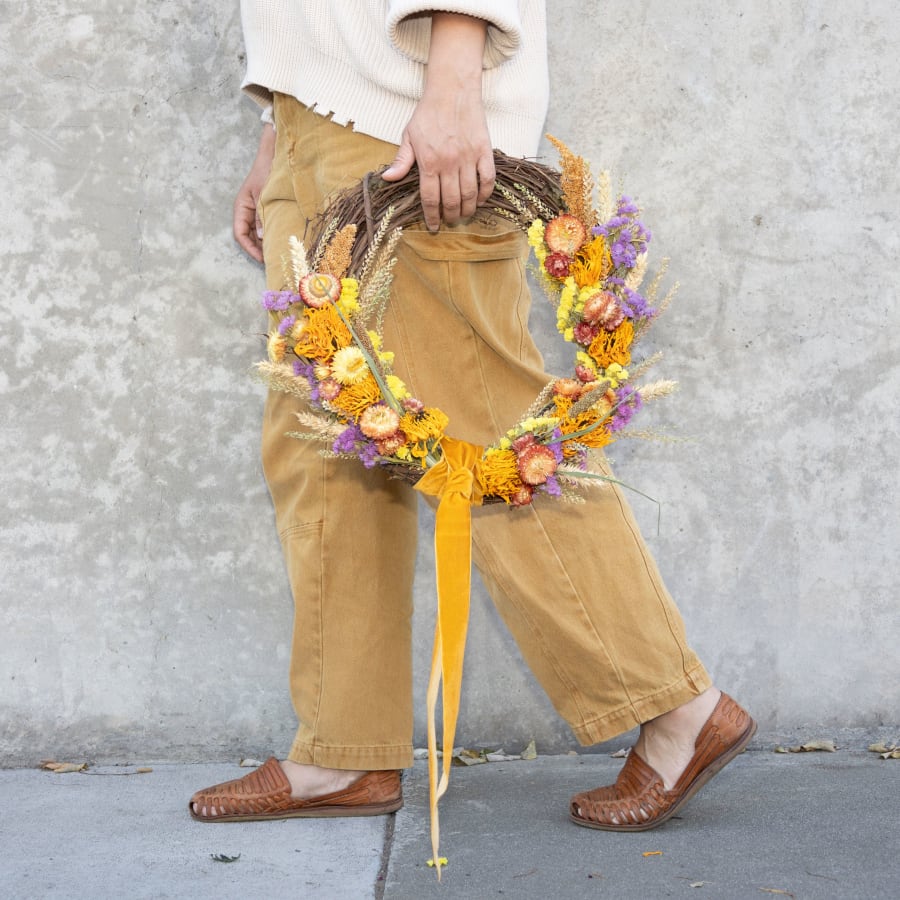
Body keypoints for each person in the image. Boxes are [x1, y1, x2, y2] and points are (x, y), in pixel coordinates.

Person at [190, 0, 756, 832]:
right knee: (323, 442)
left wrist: (453, 84)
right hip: (327, 120)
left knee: (487, 431)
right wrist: (284, 131)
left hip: (408, 120)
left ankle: (676, 706)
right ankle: (341, 750)